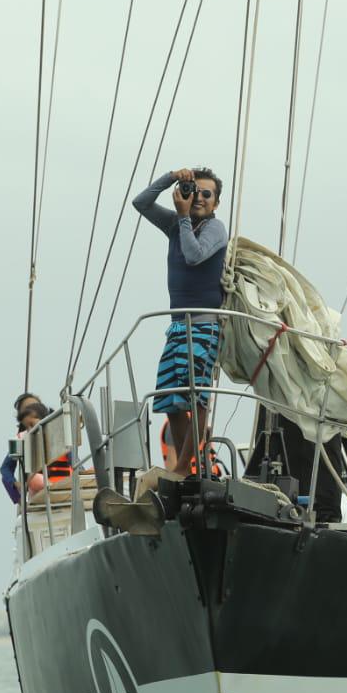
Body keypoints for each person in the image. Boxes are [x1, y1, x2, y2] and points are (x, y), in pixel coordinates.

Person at [133, 165, 228, 477]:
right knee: (170, 398)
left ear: (215, 202)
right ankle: (190, 464)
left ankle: (183, 469)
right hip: (176, 326)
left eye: (206, 194)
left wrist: (184, 217)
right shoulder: (176, 223)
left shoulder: (215, 229)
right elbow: (141, 202)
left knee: (196, 396)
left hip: (203, 325)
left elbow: (194, 255)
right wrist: (171, 178)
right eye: (194, 191)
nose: (198, 198)